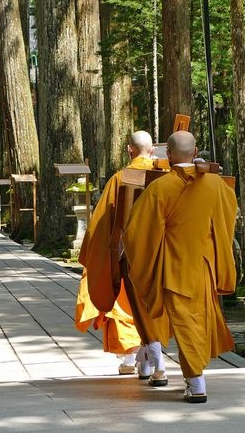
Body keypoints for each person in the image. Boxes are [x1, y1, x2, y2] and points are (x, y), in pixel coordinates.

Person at [122, 131, 238, 404]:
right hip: (205, 266)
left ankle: (196, 382)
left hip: (175, 267)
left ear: (168, 155)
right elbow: (228, 216)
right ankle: (193, 376)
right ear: (196, 150)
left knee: (187, 323)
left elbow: (136, 233)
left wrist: (145, 259)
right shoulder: (216, 184)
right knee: (198, 322)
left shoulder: (161, 188)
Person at [75, 130, 170, 383]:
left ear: (129, 150)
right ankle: (145, 361)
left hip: (129, 257)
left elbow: (102, 223)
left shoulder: (120, 178)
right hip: (163, 257)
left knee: (130, 308)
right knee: (153, 309)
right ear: (153, 151)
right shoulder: (167, 176)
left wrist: (97, 257)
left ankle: (152, 362)